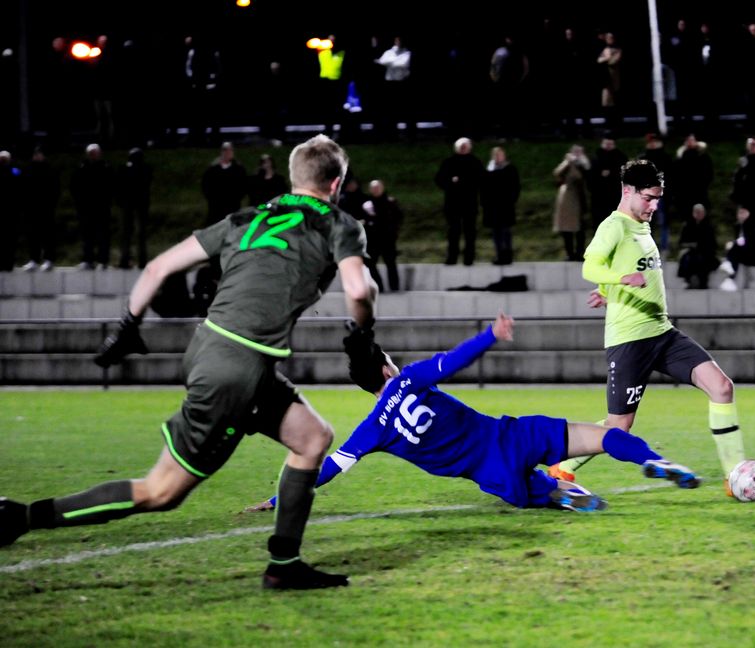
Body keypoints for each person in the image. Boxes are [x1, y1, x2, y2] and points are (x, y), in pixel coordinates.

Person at [0, 135, 379, 591]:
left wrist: (128, 325)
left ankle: (284, 563)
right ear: (335, 184)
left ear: (293, 177)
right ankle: (19, 516)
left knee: (313, 438)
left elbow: (158, 268)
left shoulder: (246, 217)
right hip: (235, 367)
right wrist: (362, 337)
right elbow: (359, 290)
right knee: (160, 491)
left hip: (218, 350)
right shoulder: (340, 224)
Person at [245, 312, 700, 516]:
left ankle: (560, 494)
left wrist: (280, 499)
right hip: (513, 435)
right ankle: (652, 459)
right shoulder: (409, 379)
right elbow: (450, 363)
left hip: (492, 474)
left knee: (540, 491)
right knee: (600, 437)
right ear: (386, 368)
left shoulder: (371, 431)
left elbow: (329, 467)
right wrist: (490, 335)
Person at [546, 160, 755, 492]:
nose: (654, 206)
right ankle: (562, 467)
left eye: (657, 199)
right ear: (627, 191)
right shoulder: (614, 226)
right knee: (619, 427)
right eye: (648, 198)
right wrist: (618, 280)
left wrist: (607, 291)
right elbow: (591, 266)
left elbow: (623, 265)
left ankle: (735, 476)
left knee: (721, 387)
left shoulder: (641, 226)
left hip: (662, 332)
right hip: (629, 340)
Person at [434, 137, 484, 266]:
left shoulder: (476, 162)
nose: (463, 149)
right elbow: (439, 180)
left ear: (470, 148)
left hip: (470, 203)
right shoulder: (448, 162)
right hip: (453, 204)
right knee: (453, 232)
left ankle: (469, 258)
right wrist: (451, 181)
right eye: (461, 146)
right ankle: (452, 257)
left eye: (465, 146)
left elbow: (482, 180)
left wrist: (465, 182)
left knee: (470, 232)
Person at [70, 143, 113, 270]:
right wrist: (79, 202)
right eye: (91, 154)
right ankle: (88, 260)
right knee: (87, 235)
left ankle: (103, 261)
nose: (93, 156)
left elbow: (111, 186)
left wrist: (107, 201)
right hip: (86, 208)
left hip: (102, 207)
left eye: (95, 153)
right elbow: (75, 187)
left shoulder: (106, 167)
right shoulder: (82, 168)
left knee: (103, 234)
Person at [20, 146, 60, 271]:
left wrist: (51, 204)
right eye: (36, 154)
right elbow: (22, 189)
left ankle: (49, 259)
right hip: (31, 209)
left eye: (40, 154)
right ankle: (34, 259)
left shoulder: (50, 169)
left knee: (48, 235)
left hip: (46, 208)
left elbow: (55, 189)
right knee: (32, 235)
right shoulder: (28, 170)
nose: (37, 156)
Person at [362, 179, 404, 292]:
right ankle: (378, 286)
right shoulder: (366, 205)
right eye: (373, 188)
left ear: (382, 188)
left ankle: (394, 288)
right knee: (370, 263)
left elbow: (399, 218)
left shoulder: (391, 202)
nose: (375, 190)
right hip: (372, 239)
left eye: (378, 188)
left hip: (388, 239)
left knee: (391, 263)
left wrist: (394, 231)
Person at [481, 146, 520, 266]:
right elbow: (483, 188)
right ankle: (499, 255)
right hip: (492, 207)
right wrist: (484, 202)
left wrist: (511, 199)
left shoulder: (510, 169)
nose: (498, 157)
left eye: (500, 154)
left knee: (505, 231)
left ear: (504, 156)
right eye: (496, 155)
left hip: (505, 206)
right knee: (496, 232)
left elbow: (516, 186)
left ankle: (508, 256)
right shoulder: (489, 169)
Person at [552, 144, 590, 261]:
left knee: (581, 227)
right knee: (567, 227)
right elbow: (557, 173)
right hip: (568, 199)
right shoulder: (568, 164)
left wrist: (585, 164)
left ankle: (580, 252)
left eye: (580, 152)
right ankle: (569, 253)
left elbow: (588, 176)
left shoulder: (585, 165)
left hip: (581, 198)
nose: (578, 155)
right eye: (576, 152)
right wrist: (568, 162)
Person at [117, 147, 153, 269]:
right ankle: (138, 260)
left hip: (132, 204)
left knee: (129, 233)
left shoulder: (128, 169)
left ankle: (126, 259)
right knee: (137, 234)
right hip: (137, 204)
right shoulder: (145, 169)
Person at [721, 206, 755, 290]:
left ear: (749, 214)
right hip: (745, 253)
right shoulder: (738, 226)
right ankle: (730, 277)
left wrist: (735, 243)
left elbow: (752, 243)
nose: (741, 215)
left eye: (743, 213)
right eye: (739, 213)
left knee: (733, 248)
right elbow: (741, 242)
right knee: (733, 251)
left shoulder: (753, 225)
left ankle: (729, 271)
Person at [202, 142, 248, 226]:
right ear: (221, 152)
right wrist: (212, 199)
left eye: (230, 150)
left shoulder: (238, 169)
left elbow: (243, 186)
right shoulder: (212, 170)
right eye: (225, 150)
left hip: (233, 206)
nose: (228, 153)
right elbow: (206, 186)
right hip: (216, 207)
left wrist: (236, 198)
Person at [676, 203, 719, 289]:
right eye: (697, 212)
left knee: (703, 260)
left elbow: (713, 243)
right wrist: (691, 245)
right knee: (687, 259)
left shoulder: (709, 226)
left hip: (706, 252)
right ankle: (689, 281)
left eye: (701, 212)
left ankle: (703, 282)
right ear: (693, 213)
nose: (699, 214)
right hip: (691, 252)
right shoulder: (688, 226)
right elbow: (681, 242)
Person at [588, 135, 628, 226]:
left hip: (615, 192)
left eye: (610, 144)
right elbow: (590, 174)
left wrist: (611, 173)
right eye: (606, 143)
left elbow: (624, 172)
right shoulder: (596, 156)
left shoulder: (620, 156)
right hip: (598, 193)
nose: (608, 146)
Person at [0, 150, 23, 272]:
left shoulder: (15, 171)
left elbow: (22, 187)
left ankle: (9, 263)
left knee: (11, 239)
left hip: (12, 212)